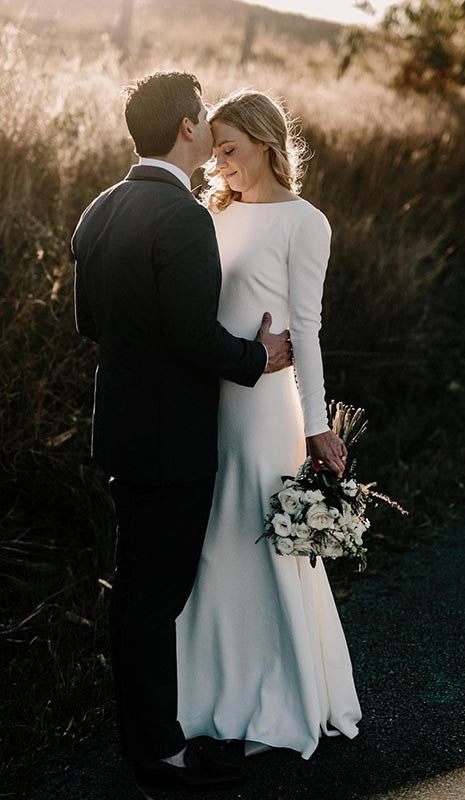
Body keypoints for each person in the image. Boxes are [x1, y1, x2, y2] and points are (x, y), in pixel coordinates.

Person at [71, 71, 293, 791]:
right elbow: (196, 338)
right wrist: (260, 357)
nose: (207, 126)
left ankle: (144, 737)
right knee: (156, 597)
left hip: (122, 435)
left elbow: (89, 324)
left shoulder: (100, 210)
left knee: (135, 590)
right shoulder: (184, 217)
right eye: (201, 116)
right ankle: (158, 751)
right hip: (173, 444)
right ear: (186, 128)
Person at [175, 89, 362, 760]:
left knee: (260, 537)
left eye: (229, 150)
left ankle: (285, 696)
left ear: (264, 143)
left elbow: (307, 331)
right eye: (213, 151)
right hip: (205, 401)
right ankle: (208, 689)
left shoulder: (304, 223)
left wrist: (316, 425)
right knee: (210, 543)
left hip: (263, 411)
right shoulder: (209, 216)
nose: (217, 165)